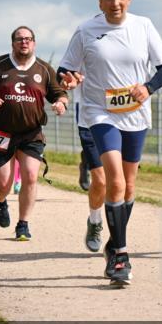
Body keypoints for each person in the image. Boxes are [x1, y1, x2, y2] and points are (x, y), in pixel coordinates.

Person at [58, 0, 162, 285]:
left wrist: (148, 88)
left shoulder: (144, 26)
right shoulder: (86, 31)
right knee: (116, 181)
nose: (115, 2)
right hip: (100, 111)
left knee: (130, 186)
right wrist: (68, 79)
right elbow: (64, 69)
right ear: (101, 0)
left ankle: (114, 239)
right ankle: (120, 255)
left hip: (135, 114)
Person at [0, 25, 68, 241]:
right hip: (0, 132)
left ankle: (23, 224)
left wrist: (61, 104)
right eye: (19, 39)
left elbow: (59, 94)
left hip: (31, 133)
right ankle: (0, 199)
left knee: (31, 176)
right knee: (4, 183)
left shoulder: (43, 68)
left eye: (28, 39)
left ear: (34, 43)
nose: (24, 42)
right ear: (12, 43)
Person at [73, 81, 106, 252]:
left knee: (124, 184)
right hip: (90, 111)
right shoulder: (82, 52)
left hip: (123, 116)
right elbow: (65, 72)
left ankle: (117, 243)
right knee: (101, 181)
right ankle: (95, 221)